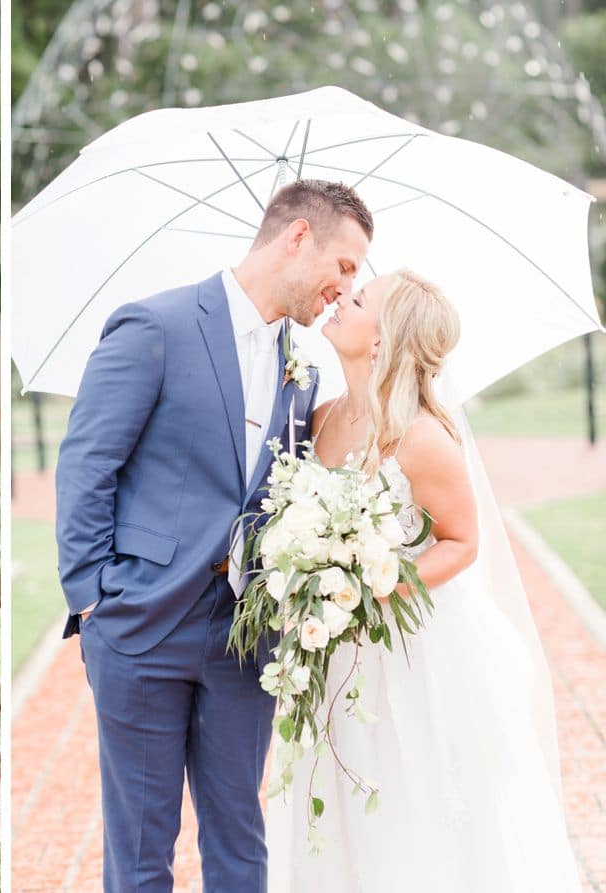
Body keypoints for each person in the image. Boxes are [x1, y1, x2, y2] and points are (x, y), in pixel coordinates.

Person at [55, 179, 372, 892]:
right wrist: (90, 601)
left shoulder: (303, 367)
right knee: (140, 849)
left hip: (243, 640)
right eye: (345, 265)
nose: (345, 287)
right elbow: (87, 463)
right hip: (138, 628)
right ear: (297, 237)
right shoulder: (154, 326)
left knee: (239, 841)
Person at [267, 270, 581, 891]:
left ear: (382, 340)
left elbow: (463, 542)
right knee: (344, 803)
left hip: (412, 655)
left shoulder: (422, 437)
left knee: (414, 807)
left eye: (356, 301)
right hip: (334, 651)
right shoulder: (323, 417)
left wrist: (377, 583)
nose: (338, 301)